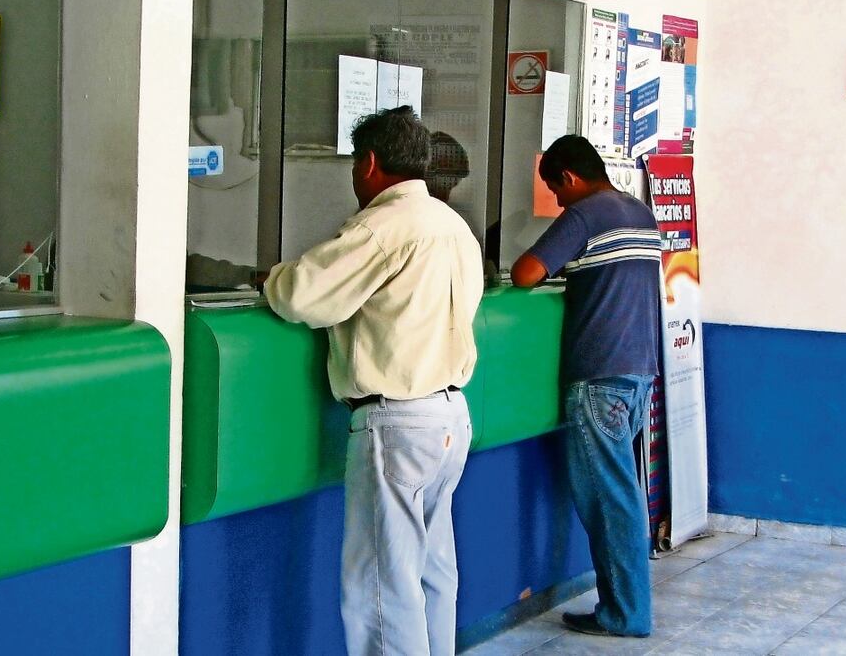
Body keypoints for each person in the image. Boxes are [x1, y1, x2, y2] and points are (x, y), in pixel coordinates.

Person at [264, 106, 484, 655]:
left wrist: (267, 278)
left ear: (368, 163)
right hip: (449, 417)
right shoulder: (452, 226)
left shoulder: (383, 226)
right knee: (432, 574)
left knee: (381, 588)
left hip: (397, 422)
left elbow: (300, 297)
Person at [511, 134, 661, 638]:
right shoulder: (640, 212)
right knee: (622, 495)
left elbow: (526, 273)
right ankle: (628, 607)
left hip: (598, 378)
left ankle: (625, 614)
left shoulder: (585, 215)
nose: (556, 201)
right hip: (638, 372)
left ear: (571, 178)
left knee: (610, 500)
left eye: (556, 189)